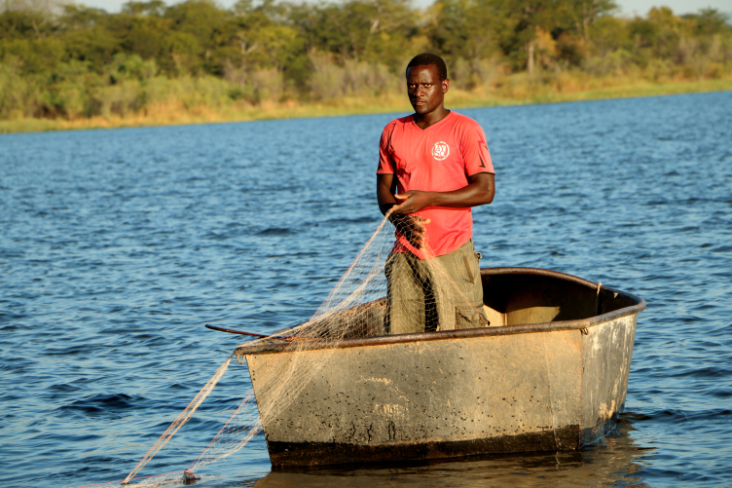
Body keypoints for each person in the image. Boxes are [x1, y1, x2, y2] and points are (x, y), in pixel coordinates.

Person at [376, 53, 495, 335]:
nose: (417, 93)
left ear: (444, 85)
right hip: (406, 256)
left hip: (453, 252)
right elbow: (383, 192)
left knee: (466, 335)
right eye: (411, 85)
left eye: (426, 85)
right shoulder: (393, 131)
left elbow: (485, 190)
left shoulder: (465, 129)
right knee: (402, 340)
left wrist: (429, 198)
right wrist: (400, 222)